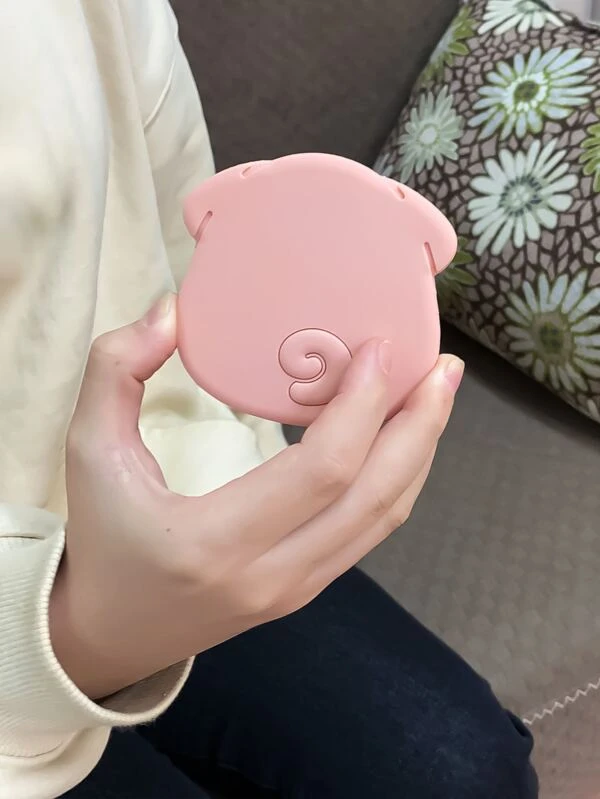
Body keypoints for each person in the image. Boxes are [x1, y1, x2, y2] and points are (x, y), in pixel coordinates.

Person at [0, 1, 538, 797]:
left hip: (171, 479)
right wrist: (85, 639)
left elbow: (182, 228)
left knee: (461, 772)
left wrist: (236, 467)